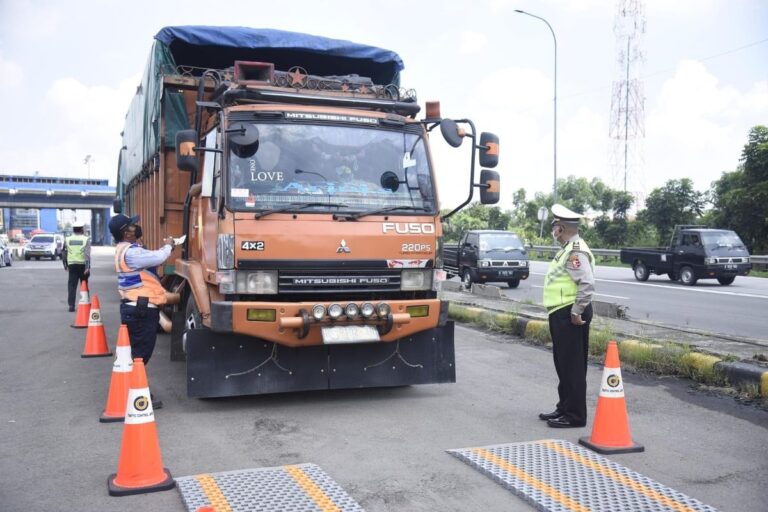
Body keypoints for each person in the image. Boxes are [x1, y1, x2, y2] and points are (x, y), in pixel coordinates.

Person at [109, 213, 177, 408]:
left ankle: (134, 391)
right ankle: (134, 394)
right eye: (132, 225)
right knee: (140, 355)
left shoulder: (125, 249)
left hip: (136, 307)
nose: (136, 227)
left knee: (138, 354)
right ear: (126, 232)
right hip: (140, 309)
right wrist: (170, 245)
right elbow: (158, 257)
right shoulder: (131, 253)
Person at [539, 204, 595, 428]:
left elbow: (587, 283)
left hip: (570, 314)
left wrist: (576, 311)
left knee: (572, 366)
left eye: (554, 226)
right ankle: (564, 407)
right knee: (563, 364)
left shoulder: (575, 251)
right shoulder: (568, 249)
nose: (553, 229)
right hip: (561, 312)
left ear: (560, 228)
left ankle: (574, 416)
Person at [63, 221, 91, 312]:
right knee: (84, 284)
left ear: (73, 229)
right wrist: (87, 267)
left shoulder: (67, 239)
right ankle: (86, 302)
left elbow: (64, 253)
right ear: (82, 229)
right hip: (82, 265)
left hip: (72, 265)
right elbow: (87, 254)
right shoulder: (86, 239)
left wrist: (65, 265)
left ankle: (71, 306)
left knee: (72, 286)